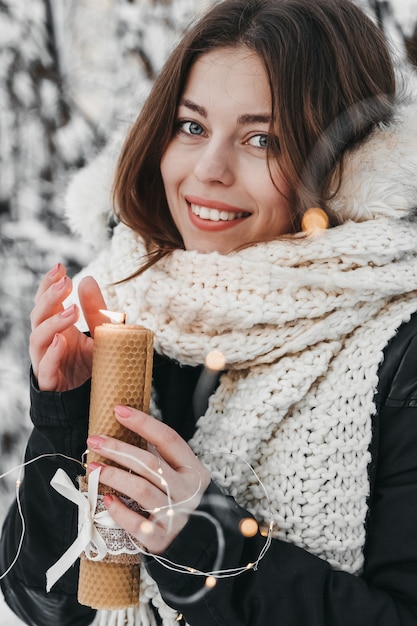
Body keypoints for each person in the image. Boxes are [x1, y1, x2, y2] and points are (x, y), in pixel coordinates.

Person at [2, 0, 417, 624]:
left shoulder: (398, 348)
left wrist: (209, 544)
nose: (208, 170)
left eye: (262, 139)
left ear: (344, 164)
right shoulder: (127, 302)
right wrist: (66, 417)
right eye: (192, 127)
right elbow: (42, 606)